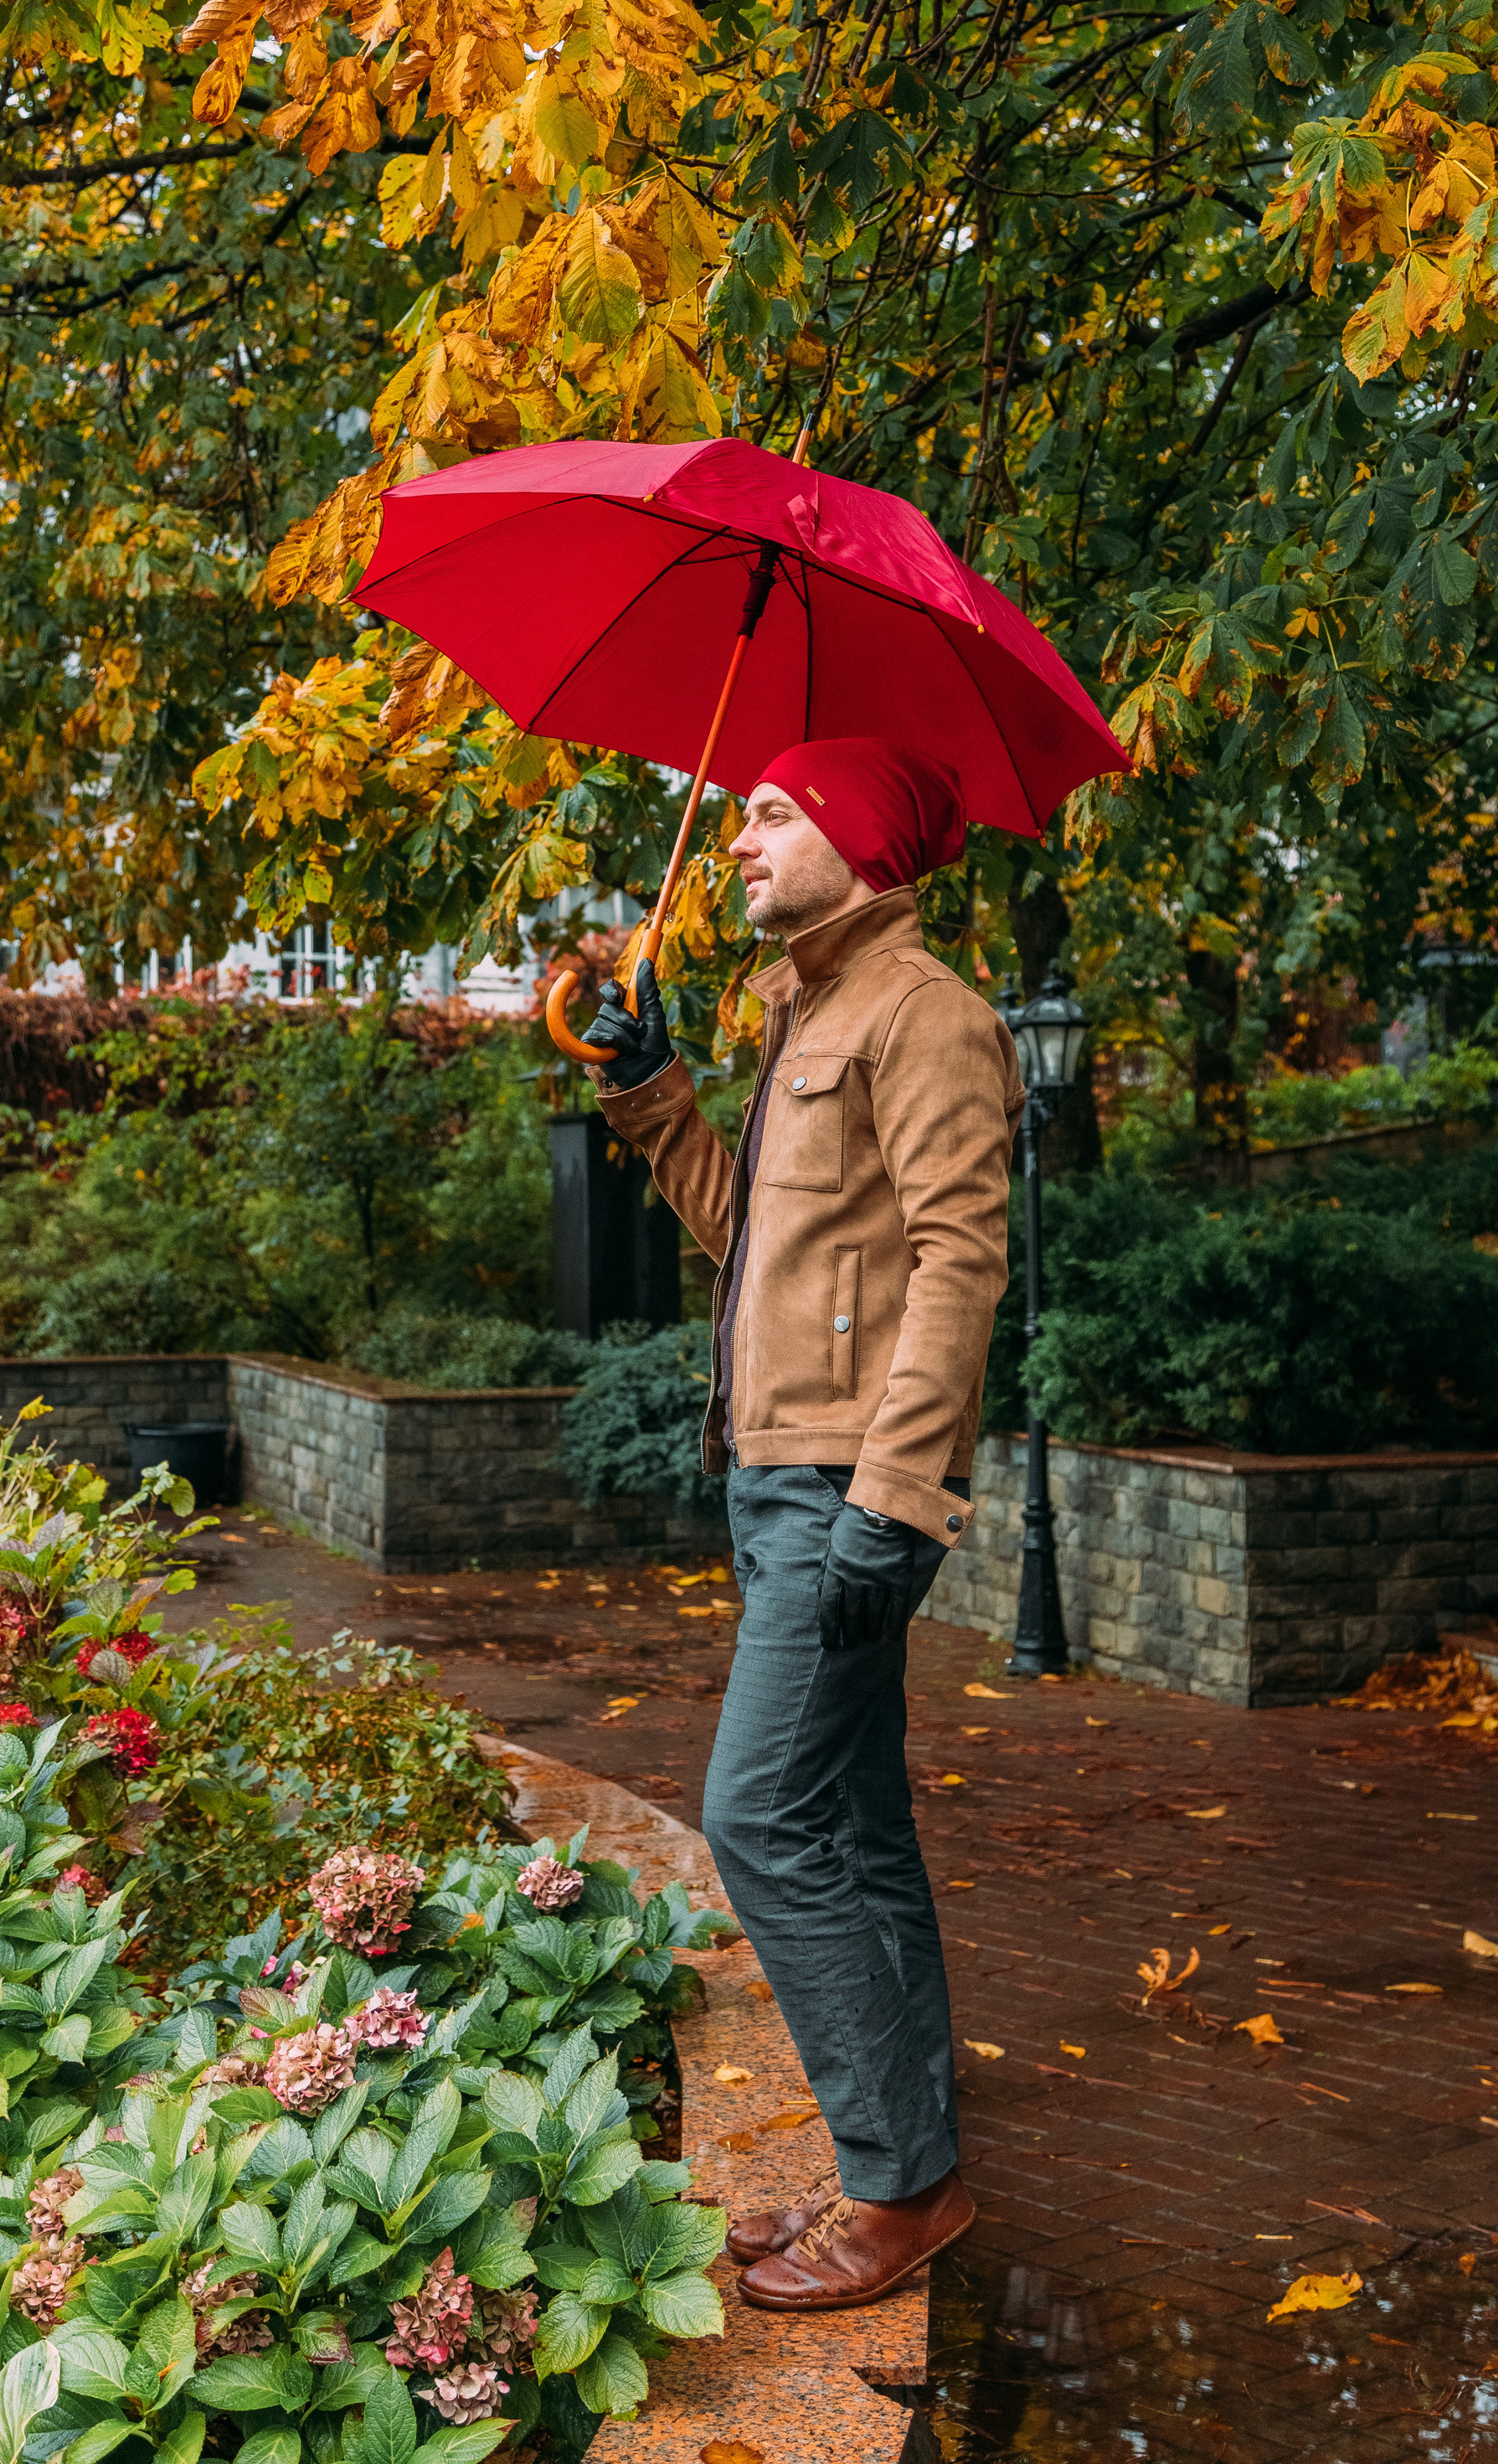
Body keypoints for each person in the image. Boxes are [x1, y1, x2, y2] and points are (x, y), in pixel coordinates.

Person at [582, 737, 1024, 2316]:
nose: (743, 840)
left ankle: (903, 2191)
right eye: (747, 810)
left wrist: (894, 1504)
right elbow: (751, 1245)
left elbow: (961, 1269)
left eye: (776, 814)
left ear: (859, 837)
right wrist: (650, 1097)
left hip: (848, 1487)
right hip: (778, 1473)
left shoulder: (927, 1020)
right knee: (856, 1827)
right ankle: (905, 2162)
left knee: (760, 1821)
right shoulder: (803, 1019)